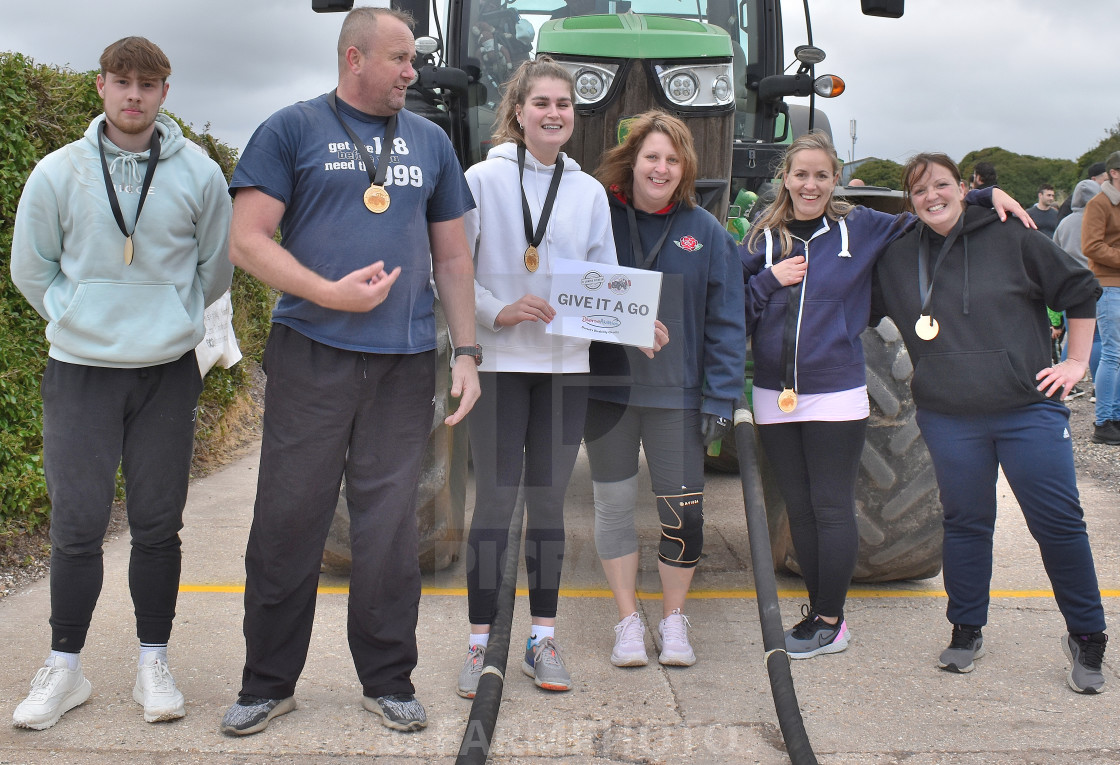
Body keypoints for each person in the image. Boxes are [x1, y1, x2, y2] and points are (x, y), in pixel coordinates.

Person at [219, 7, 480, 736]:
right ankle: (268, 683)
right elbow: (247, 239)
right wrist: (327, 292)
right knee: (288, 520)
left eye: (414, 61)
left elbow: (454, 259)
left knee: (391, 527)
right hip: (312, 353)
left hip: (402, 365)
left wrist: (466, 353)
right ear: (353, 58)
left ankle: (387, 679)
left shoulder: (429, 141)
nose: (412, 72)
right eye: (400, 59)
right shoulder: (291, 129)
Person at [9, 36, 233, 729]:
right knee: (77, 525)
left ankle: (152, 663)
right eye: (121, 81)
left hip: (164, 372)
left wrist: (168, 322)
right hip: (79, 371)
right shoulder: (57, 172)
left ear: (166, 93)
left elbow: (215, 270)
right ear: (101, 86)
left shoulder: (199, 174)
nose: (134, 95)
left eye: (148, 84)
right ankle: (64, 667)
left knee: (157, 525)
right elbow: (32, 267)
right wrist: (78, 318)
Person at [740, 132, 1029, 660]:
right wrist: (768, 282)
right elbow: (733, 313)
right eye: (801, 174)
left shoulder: (862, 226)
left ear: (836, 180)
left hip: (835, 392)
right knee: (800, 510)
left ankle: (832, 620)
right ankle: (815, 613)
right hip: (772, 392)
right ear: (786, 177)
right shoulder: (761, 238)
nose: (810, 184)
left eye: (821, 175)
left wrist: (984, 196)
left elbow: (930, 214)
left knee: (831, 507)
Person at [871, 152, 1107, 693]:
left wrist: (1075, 362)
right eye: (920, 190)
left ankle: (1088, 635)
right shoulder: (898, 256)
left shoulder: (1014, 235)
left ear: (964, 187)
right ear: (909, 201)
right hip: (949, 416)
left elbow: (1079, 290)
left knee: (1058, 524)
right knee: (966, 522)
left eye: (943, 185)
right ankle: (966, 627)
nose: (933, 196)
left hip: (1026, 410)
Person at [455, 57, 619, 699]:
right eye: (542, 103)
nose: (555, 113)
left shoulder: (589, 193)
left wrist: (635, 323)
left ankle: (541, 639)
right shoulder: (481, 180)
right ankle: (478, 645)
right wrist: (499, 310)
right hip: (498, 366)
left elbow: (606, 278)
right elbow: (454, 267)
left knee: (549, 510)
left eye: (565, 105)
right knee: (495, 507)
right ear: (518, 112)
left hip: (563, 369)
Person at [586, 111, 745, 669]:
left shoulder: (705, 231)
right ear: (633, 161)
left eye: (673, 160)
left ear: (685, 170)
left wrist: (722, 397)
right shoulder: (596, 219)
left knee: (684, 515)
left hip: (676, 398)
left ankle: (674, 619)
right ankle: (628, 618)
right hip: (607, 394)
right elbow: (573, 299)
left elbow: (726, 322)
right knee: (612, 508)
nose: (661, 168)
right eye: (652, 156)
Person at [1082, 150, 1120, 445]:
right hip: (1108, 287)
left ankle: (1115, 418)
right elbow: (1091, 246)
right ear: (1114, 173)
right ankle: (1103, 422)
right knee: (1112, 353)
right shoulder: (1100, 203)